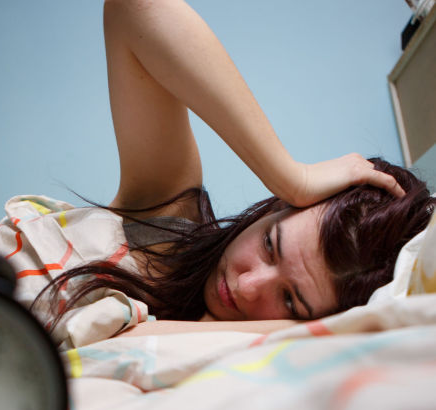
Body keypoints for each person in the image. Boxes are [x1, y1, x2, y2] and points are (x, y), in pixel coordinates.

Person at [36, 0, 434, 338]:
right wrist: (294, 177)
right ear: (277, 206)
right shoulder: (164, 229)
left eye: (290, 300)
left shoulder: (244, 359)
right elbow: (135, 9)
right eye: (268, 245)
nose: (246, 286)